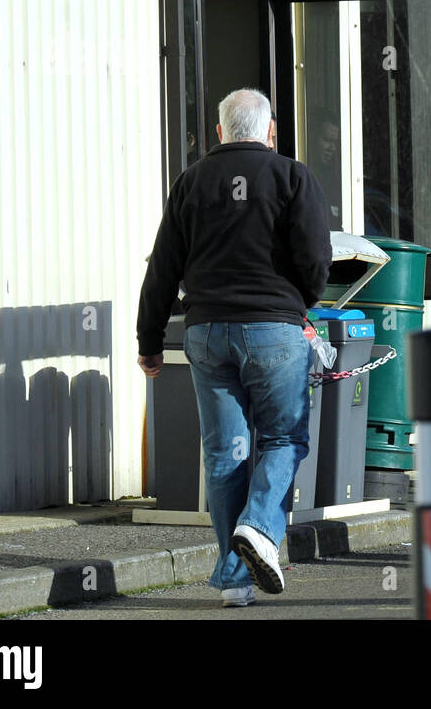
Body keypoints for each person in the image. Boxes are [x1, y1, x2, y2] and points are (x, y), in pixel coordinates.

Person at [137, 88, 332, 607]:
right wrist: (301, 301)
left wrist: (150, 340)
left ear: (219, 131)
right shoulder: (293, 177)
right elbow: (317, 258)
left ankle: (235, 581)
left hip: (205, 332)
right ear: (271, 131)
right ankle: (260, 528)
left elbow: (163, 267)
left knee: (225, 453)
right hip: (274, 329)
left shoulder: (191, 182)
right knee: (284, 439)